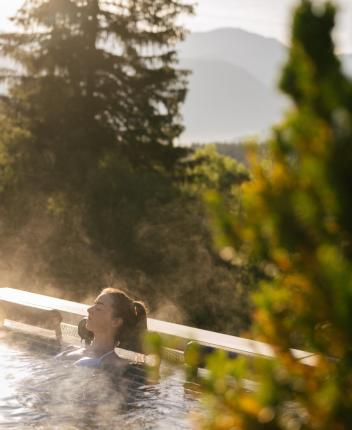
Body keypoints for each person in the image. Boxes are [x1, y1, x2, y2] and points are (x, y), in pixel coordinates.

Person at [56, 288, 147, 370]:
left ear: (115, 322)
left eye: (98, 308)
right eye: (94, 304)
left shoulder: (110, 364)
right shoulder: (71, 349)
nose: (89, 310)